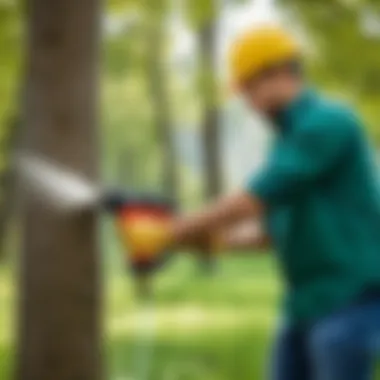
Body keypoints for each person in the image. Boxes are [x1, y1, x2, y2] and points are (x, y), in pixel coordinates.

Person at [124, 26, 380, 379]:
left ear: (278, 73)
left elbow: (250, 202)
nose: (247, 101)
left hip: (349, 298)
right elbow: (271, 234)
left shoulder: (328, 123)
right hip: (304, 305)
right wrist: (199, 243)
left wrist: (169, 231)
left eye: (248, 88)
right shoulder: (285, 143)